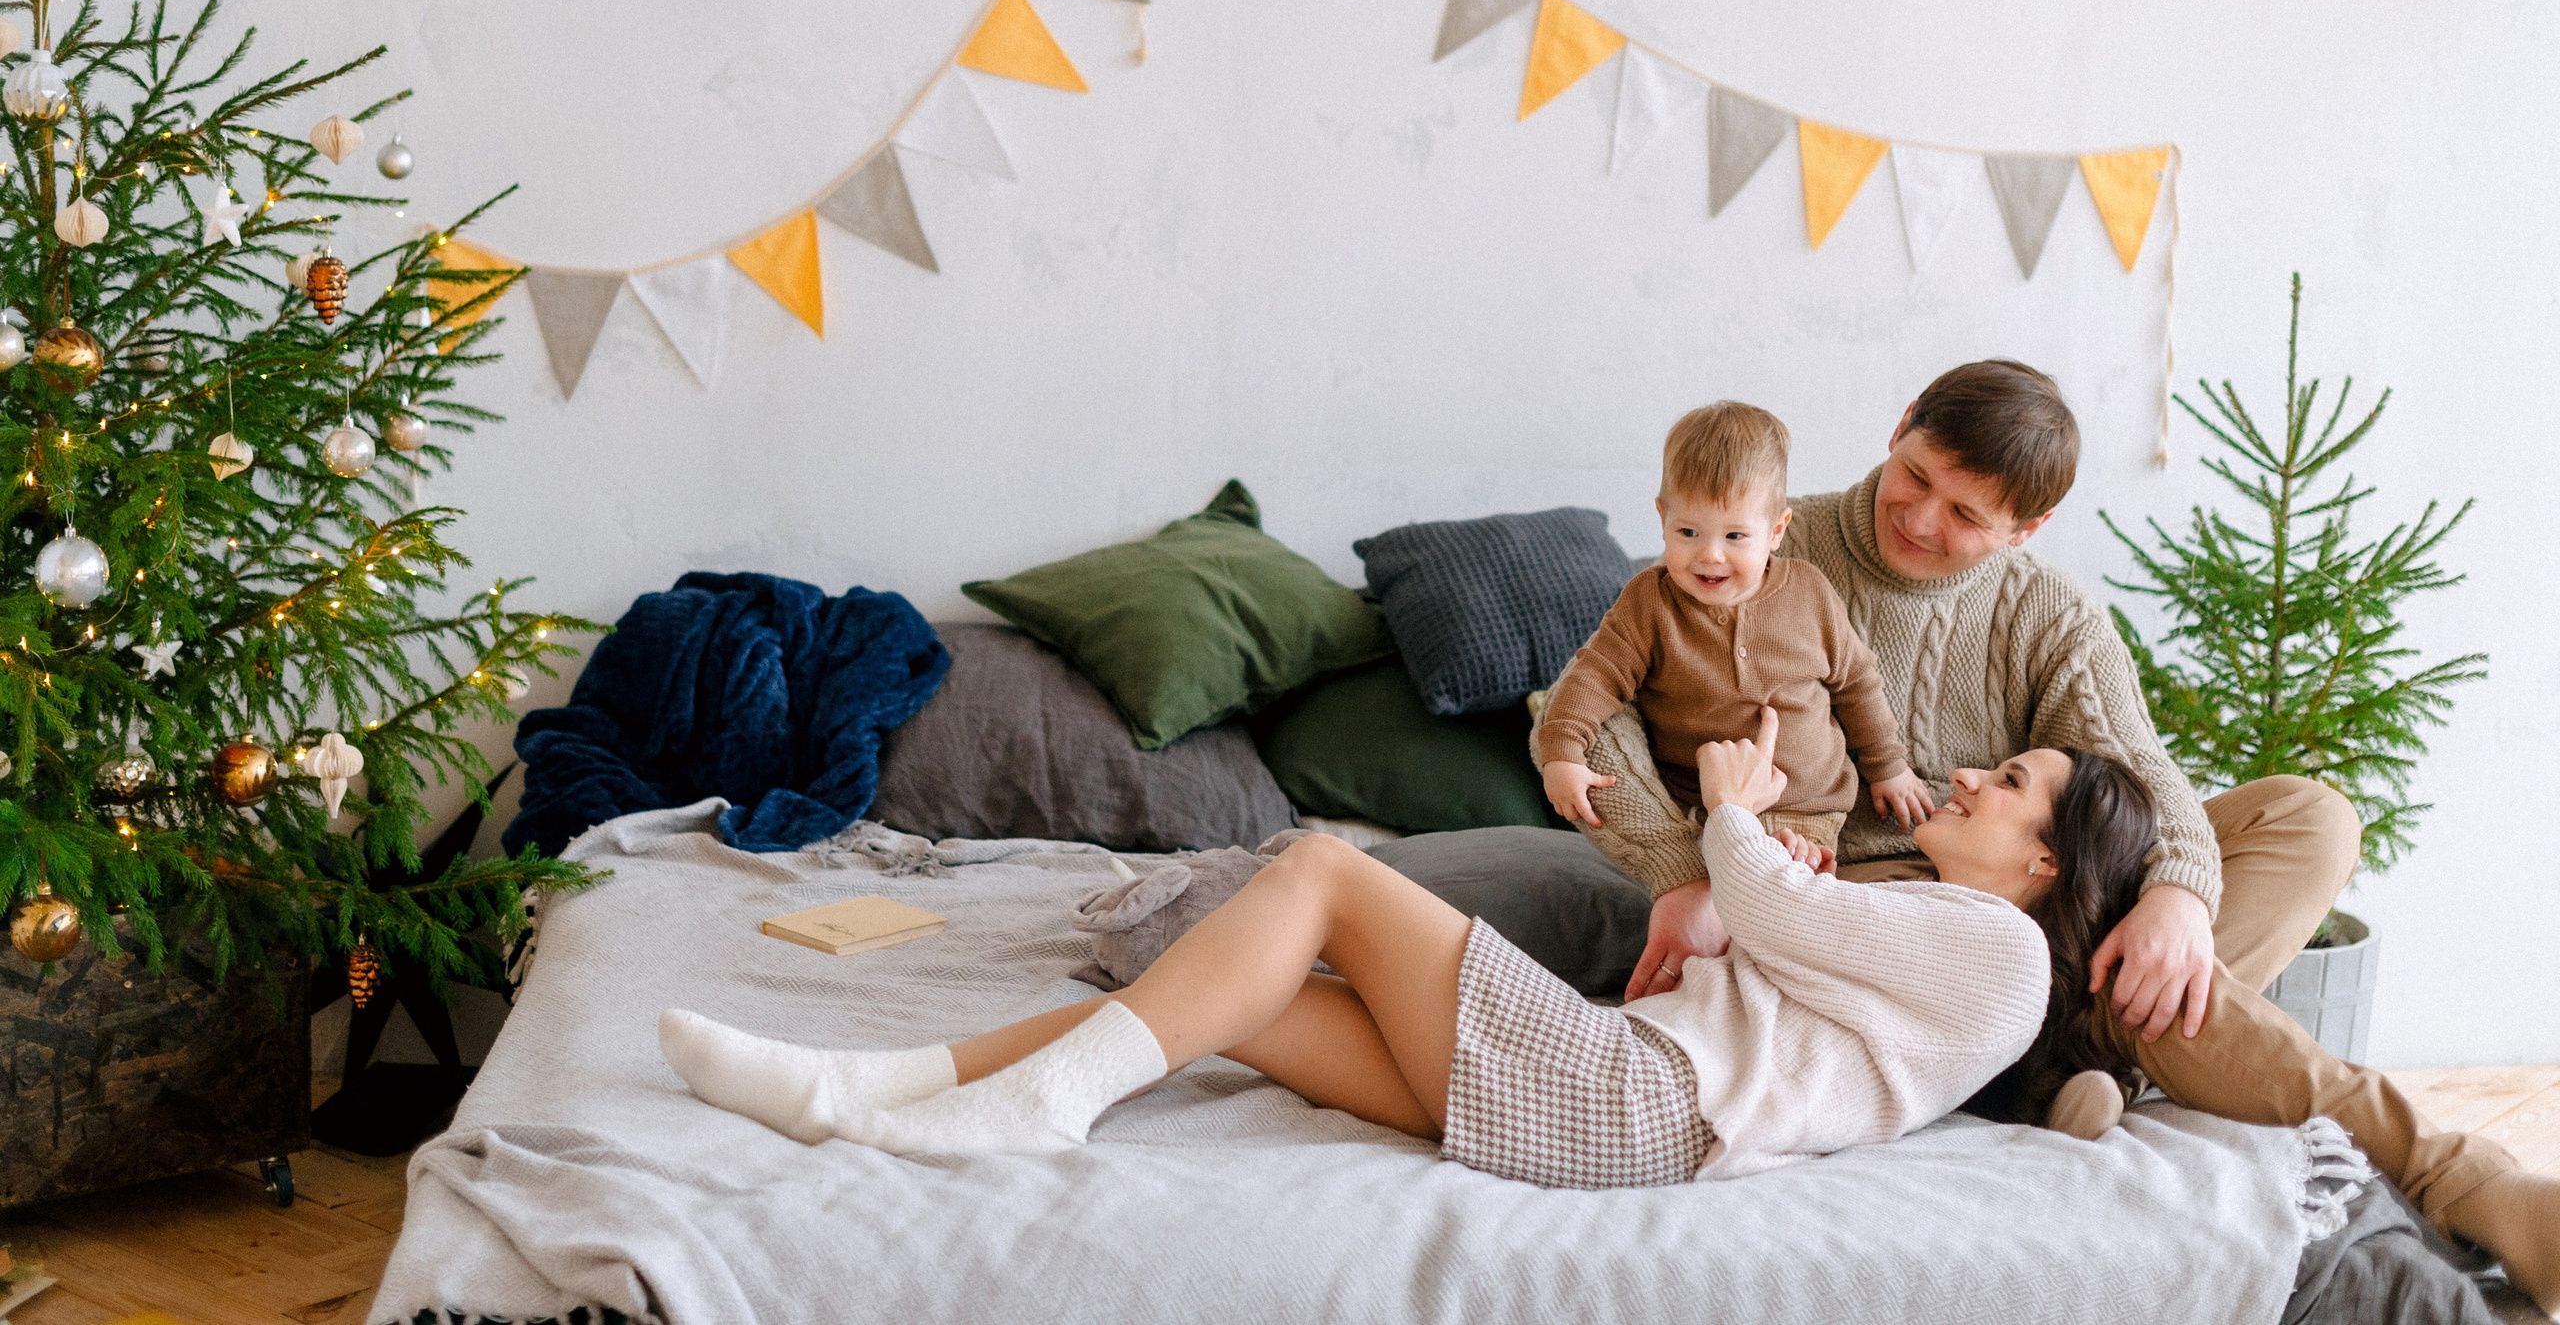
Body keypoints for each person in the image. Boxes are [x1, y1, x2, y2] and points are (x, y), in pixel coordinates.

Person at [1570, 359, 2555, 1307]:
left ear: (2027, 525)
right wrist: (1677, 869)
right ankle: (2463, 1180)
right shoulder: (1765, 539)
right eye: (1914, 475)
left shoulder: (2044, 614)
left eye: (1964, 513)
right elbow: (1592, 704)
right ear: (1902, 419)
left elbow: (2143, 774)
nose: (1918, 518)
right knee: (2120, 974)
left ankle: (2088, 1058)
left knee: (2307, 818)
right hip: (1854, 906)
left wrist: (2173, 896)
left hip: (2017, 897)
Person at [657, 723, 2156, 1192]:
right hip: (1616, 1112)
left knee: (1320, 865)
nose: (1970, 778)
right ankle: (860, 1085)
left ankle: (1035, 1107)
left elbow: (1776, 912)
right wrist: (1742, 891)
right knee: (1228, 1004)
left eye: (2010, 785)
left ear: (2047, 864)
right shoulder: (1950, 927)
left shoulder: (2006, 960)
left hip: (1632, 1104)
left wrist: (1734, 808)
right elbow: (1788, 941)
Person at [1534, 401, 1930, 863]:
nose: (1710, 555)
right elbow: (1595, 675)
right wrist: (1562, 752)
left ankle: (1792, 863)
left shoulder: (1809, 593)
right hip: (1700, 807)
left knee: (1785, 882)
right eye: (1688, 532)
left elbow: (1857, 684)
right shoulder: (1650, 602)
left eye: (1735, 537)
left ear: (1776, 530)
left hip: (1806, 804)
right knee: (1726, 883)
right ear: (1662, 518)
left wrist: (1887, 767)